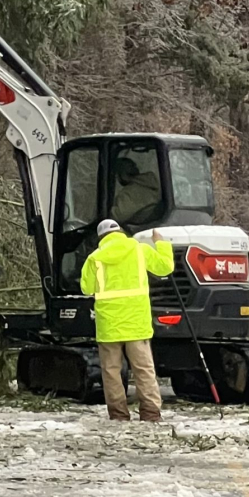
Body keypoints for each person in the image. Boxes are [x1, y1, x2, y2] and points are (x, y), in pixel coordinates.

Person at [80, 218, 174, 422]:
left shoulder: (94, 258)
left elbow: (86, 288)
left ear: (101, 238)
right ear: (121, 232)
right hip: (136, 322)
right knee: (144, 369)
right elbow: (165, 267)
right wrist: (161, 243)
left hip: (109, 324)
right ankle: (150, 413)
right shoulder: (139, 250)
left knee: (111, 372)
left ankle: (118, 414)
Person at [112, 158, 161, 224]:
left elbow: (116, 217)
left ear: (123, 175)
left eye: (117, 174)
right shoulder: (151, 184)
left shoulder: (130, 192)